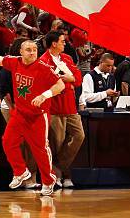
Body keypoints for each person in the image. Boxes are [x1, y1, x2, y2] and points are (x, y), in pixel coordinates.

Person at [0, 39, 65, 196]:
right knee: (8, 141)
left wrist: (44, 95)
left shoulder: (43, 68)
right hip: (20, 113)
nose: (32, 52)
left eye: (34, 49)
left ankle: (48, 180)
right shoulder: (14, 62)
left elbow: (60, 85)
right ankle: (21, 172)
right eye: (28, 49)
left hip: (38, 115)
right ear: (20, 52)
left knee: (40, 149)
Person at [39, 31, 84, 189]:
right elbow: (50, 84)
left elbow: (78, 78)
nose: (65, 44)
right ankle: (62, 174)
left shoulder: (67, 58)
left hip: (71, 106)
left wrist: (70, 80)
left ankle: (57, 167)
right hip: (54, 107)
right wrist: (68, 82)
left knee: (79, 135)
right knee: (56, 143)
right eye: (62, 41)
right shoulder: (43, 61)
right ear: (53, 44)